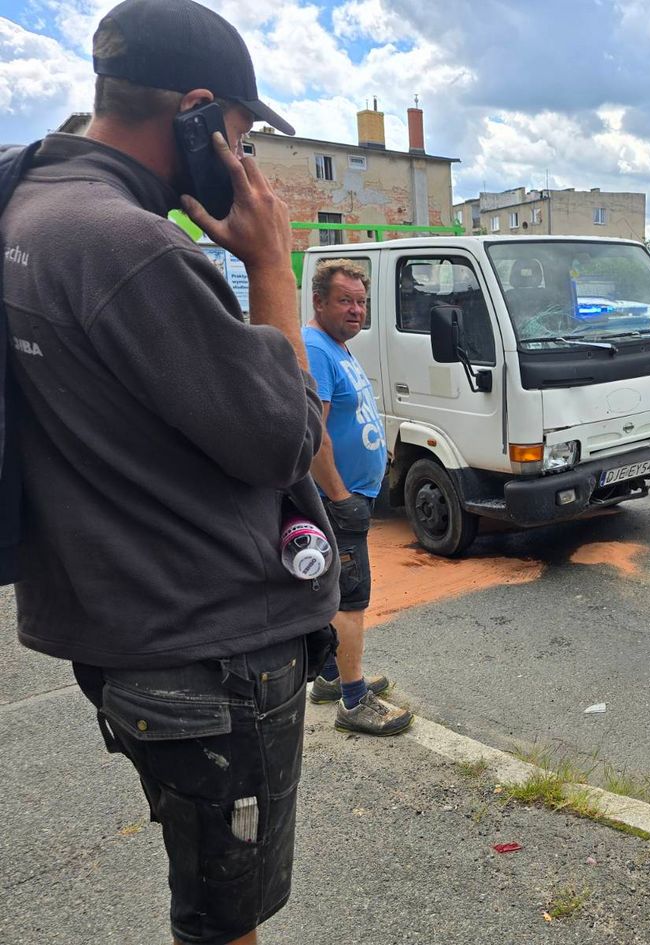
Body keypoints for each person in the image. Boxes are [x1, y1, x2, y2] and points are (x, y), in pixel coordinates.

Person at [0, 1, 339, 943]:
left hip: (129, 630)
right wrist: (274, 267)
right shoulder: (130, 245)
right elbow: (282, 441)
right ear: (195, 113)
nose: (245, 160)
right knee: (225, 921)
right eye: (238, 131)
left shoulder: (28, 203)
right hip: (209, 651)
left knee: (206, 897)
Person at [304, 259, 414, 736]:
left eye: (361, 301)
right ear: (319, 302)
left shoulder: (338, 346)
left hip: (352, 493)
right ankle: (353, 701)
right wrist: (339, 494)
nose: (355, 310)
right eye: (345, 300)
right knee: (350, 599)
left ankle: (330, 676)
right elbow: (313, 433)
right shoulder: (315, 348)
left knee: (338, 592)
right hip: (337, 498)